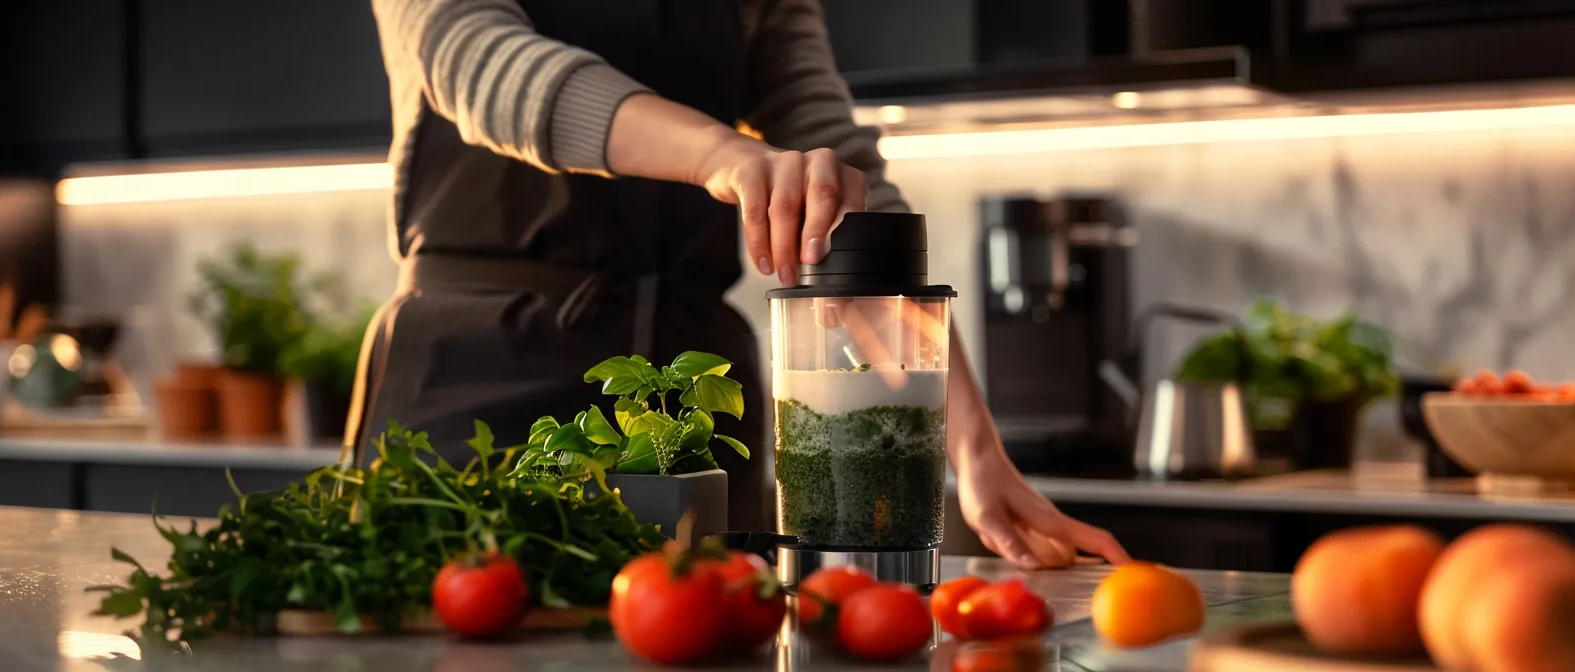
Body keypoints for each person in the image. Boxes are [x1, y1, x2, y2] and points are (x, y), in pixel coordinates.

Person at [355, 0, 1130, 569]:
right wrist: (720, 154)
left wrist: (973, 447)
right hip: (475, 378)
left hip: (691, 405)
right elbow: (479, 65)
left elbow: (847, 189)